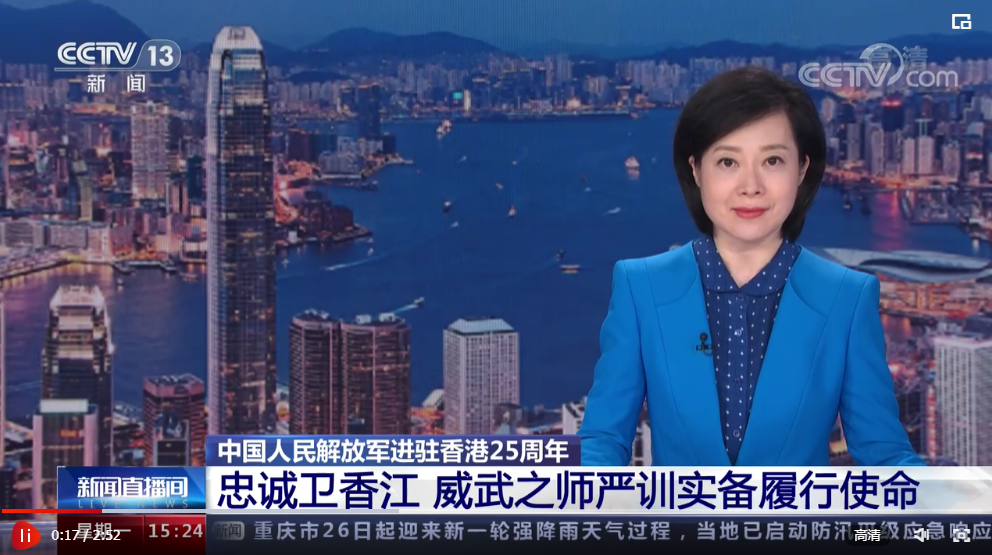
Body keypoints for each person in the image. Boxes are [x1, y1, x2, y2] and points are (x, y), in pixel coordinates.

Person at [579, 67, 924, 467]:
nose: (751, 186)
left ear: (802, 169)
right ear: (696, 170)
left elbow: (886, 454)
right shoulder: (641, 288)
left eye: (772, 160)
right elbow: (602, 440)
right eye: (727, 162)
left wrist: (948, 500)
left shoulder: (847, 297)